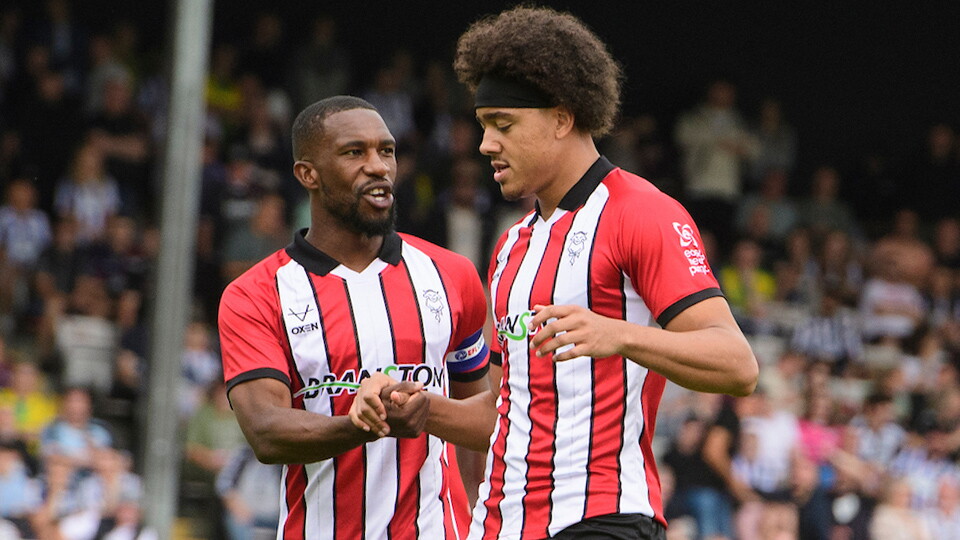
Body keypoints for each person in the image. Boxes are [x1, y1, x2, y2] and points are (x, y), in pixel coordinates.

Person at [353, 7, 758, 539]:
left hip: (600, 519)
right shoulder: (510, 247)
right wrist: (423, 409)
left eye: (504, 124)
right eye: (482, 126)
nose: (485, 144)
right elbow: (504, 409)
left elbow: (737, 365)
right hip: (498, 526)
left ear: (563, 118)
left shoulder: (640, 212)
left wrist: (619, 335)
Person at [218, 95, 495, 540]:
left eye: (386, 151)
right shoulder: (255, 294)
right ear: (308, 174)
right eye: (354, 152)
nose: (378, 166)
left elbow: (481, 423)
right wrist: (362, 423)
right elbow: (266, 432)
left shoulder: (453, 276)